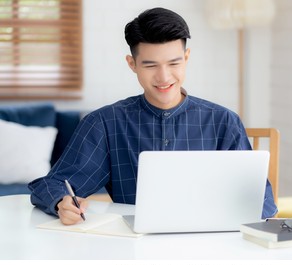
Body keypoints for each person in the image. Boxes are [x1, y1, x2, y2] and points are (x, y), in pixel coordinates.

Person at [28, 7, 277, 225]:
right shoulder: (105, 123)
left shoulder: (223, 122)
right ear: (132, 64)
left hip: (209, 246)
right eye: (150, 65)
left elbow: (262, 201)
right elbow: (49, 185)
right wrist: (62, 202)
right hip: (134, 249)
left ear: (186, 58)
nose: (164, 77)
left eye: (174, 63)